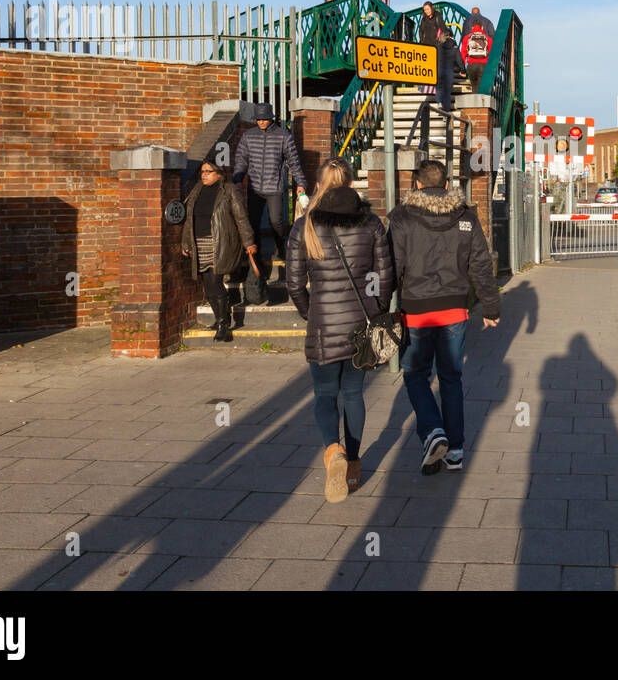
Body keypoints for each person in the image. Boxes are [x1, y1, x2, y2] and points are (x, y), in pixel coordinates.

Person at [285, 159, 394, 502]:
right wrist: (375, 313)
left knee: (324, 395)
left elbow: (293, 284)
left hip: (323, 326)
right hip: (361, 325)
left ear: (319, 184)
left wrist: (311, 313)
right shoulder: (372, 223)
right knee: (353, 395)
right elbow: (384, 277)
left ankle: (333, 452)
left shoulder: (305, 226)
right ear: (349, 183)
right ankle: (355, 463)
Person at [388, 159, 500, 474]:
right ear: (447, 183)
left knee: (415, 375)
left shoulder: (401, 217)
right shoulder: (464, 215)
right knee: (451, 378)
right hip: (454, 309)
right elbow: (479, 261)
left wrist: (380, 306)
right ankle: (455, 450)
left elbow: (392, 266)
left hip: (417, 311)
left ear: (417, 184)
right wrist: (490, 306)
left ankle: (432, 430)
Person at [233, 104, 308, 298]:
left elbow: (293, 161)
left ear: (271, 118)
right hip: (255, 188)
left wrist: (300, 183)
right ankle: (256, 255)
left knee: (276, 221)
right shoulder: (249, 136)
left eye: (264, 119)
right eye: (258, 119)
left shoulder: (283, 136)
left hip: (274, 187)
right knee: (253, 224)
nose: (261, 122)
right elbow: (241, 159)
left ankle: (279, 247)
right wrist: (237, 179)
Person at [180, 161, 258, 343]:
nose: (204, 175)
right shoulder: (196, 190)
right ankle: (218, 318)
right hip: (199, 243)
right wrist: (185, 242)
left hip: (219, 243)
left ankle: (224, 323)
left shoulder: (228, 190)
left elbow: (241, 217)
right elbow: (189, 219)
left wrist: (249, 242)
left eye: (208, 171)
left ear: (219, 174)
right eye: (202, 172)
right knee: (207, 287)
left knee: (215, 283)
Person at [460, 7, 495, 93]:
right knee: (482, 87)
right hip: (483, 64)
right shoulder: (488, 37)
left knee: (474, 87)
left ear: (472, 27)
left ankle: (474, 104)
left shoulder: (466, 38)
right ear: (482, 27)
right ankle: (481, 104)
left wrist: (462, 68)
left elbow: (463, 52)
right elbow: (492, 51)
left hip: (471, 64)